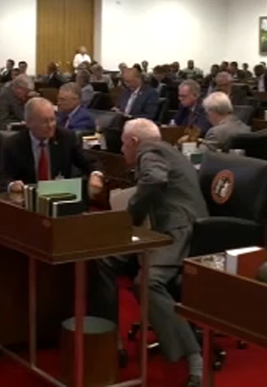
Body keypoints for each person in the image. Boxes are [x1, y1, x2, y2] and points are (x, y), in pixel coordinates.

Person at [89, 118, 207, 387]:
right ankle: (110, 340)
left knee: (148, 282)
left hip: (179, 231)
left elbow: (154, 180)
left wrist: (130, 214)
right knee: (104, 259)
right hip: (157, 230)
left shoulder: (149, 150)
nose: (122, 150)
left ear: (134, 141)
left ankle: (192, 358)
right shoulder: (168, 150)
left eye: (123, 144)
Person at [0, 97, 103, 194]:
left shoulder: (66, 138)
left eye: (52, 120)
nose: (50, 126)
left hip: (59, 195)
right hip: (27, 198)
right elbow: (4, 177)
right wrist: (12, 185)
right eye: (44, 121)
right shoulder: (13, 144)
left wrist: (95, 175)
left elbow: (89, 162)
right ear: (29, 123)